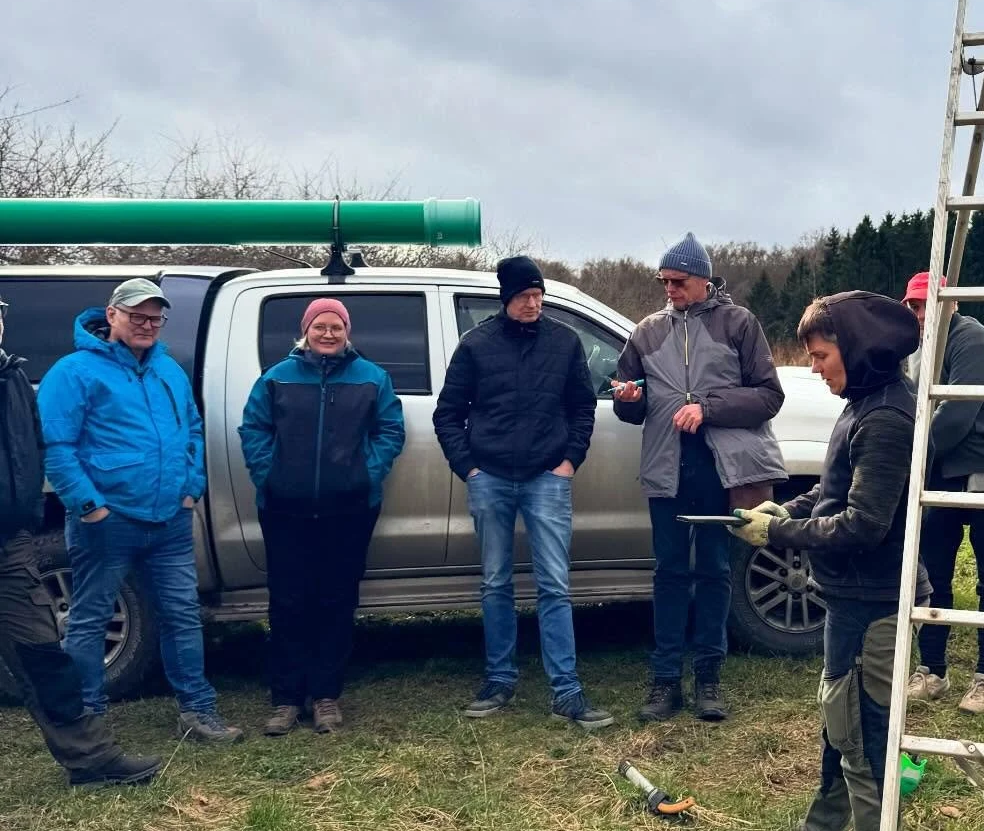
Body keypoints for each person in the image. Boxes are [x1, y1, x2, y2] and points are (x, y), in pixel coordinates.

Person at [727, 291, 926, 831]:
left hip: (875, 605)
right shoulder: (860, 408)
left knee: (865, 749)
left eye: (821, 354)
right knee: (836, 726)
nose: (814, 367)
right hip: (848, 601)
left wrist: (788, 536)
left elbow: (864, 523)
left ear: (858, 349)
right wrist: (783, 511)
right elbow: (832, 493)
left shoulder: (890, 419)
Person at [36, 280, 243, 745]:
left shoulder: (167, 370)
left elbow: (192, 429)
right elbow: (56, 446)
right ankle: (85, 720)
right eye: (137, 316)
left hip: (169, 519)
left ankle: (197, 710)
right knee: (89, 619)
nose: (147, 325)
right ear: (112, 316)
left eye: (155, 318)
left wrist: (191, 487)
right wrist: (89, 507)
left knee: (182, 615)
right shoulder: (74, 373)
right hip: (107, 524)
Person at [433, 255, 613, 732]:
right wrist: (468, 468)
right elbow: (447, 413)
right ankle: (498, 679)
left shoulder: (565, 342)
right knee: (495, 582)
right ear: (506, 298)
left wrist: (569, 461)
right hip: (489, 477)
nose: (533, 304)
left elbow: (582, 407)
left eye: (538, 296)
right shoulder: (476, 346)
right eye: (524, 297)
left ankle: (567, 692)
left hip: (546, 479)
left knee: (554, 583)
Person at [613, 233, 786, 724]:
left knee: (713, 570)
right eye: (665, 281)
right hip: (665, 469)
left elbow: (768, 396)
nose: (670, 289)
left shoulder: (739, 323)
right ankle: (664, 680)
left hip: (720, 470)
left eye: (679, 281)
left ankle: (709, 678)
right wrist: (627, 399)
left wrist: (707, 408)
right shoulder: (646, 331)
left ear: (703, 281)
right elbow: (632, 404)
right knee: (669, 572)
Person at [0, 296, 161, 787]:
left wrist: (25, 515)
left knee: (43, 654)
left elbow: (35, 448)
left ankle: (90, 760)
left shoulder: (12, 379)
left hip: (9, 544)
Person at [238, 298, 406, 737]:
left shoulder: (372, 378)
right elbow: (253, 428)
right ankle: (286, 699)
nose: (328, 334)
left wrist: (364, 473)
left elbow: (390, 430)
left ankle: (327, 696)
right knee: (289, 602)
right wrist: (269, 474)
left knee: (337, 601)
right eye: (320, 326)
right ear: (306, 331)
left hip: (349, 508)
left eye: (336, 327)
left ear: (347, 332)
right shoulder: (277, 378)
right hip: (284, 508)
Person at [901, 271, 984, 714]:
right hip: (947, 466)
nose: (922, 314)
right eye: (916, 307)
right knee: (934, 569)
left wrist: (911, 457)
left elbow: (956, 415)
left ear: (951, 304)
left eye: (929, 305)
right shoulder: (916, 349)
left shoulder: (968, 336)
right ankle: (932, 672)